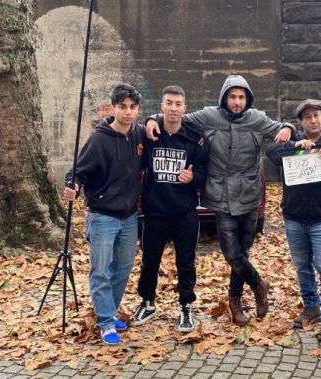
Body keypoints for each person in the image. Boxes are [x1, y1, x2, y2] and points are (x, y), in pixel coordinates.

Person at [146, 74, 294, 326]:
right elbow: (177, 117)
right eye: (232, 97)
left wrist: (288, 127)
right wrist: (152, 118)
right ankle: (259, 283)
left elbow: (280, 128)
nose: (236, 102)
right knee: (231, 253)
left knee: (243, 251)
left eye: (241, 97)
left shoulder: (257, 118)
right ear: (224, 98)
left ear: (247, 99)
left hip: (249, 195)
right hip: (221, 194)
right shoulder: (208, 116)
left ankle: (235, 302)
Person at [265, 99, 321, 341]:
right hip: (293, 217)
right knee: (302, 266)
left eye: (317, 115)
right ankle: (311, 307)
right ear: (301, 122)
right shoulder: (294, 141)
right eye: (307, 117)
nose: (313, 120)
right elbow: (270, 152)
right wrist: (295, 144)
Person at [63, 84, 146, 346]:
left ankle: (109, 312)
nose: (128, 112)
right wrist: (73, 185)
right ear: (114, 108)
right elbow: (78, 171)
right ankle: (106, 322)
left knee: (122, 268)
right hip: (103, 216)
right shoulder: (99, 139)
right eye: (123, 107)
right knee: (100, 271)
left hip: (130, 216)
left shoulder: (140, 135)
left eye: (133, 107)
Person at [131, 85, 207, 333]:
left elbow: (204, 173)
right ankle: (148, 301)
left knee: (186, 262)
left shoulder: (194, 137)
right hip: (155, 211)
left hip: (184, 212)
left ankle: (186, 305)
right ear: (161, 106)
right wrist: (149, 120)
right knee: (149, 260)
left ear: (184, 108)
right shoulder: (149, 134)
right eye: (169, 103)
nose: (173, 108)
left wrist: (192, 180)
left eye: (178, 104)